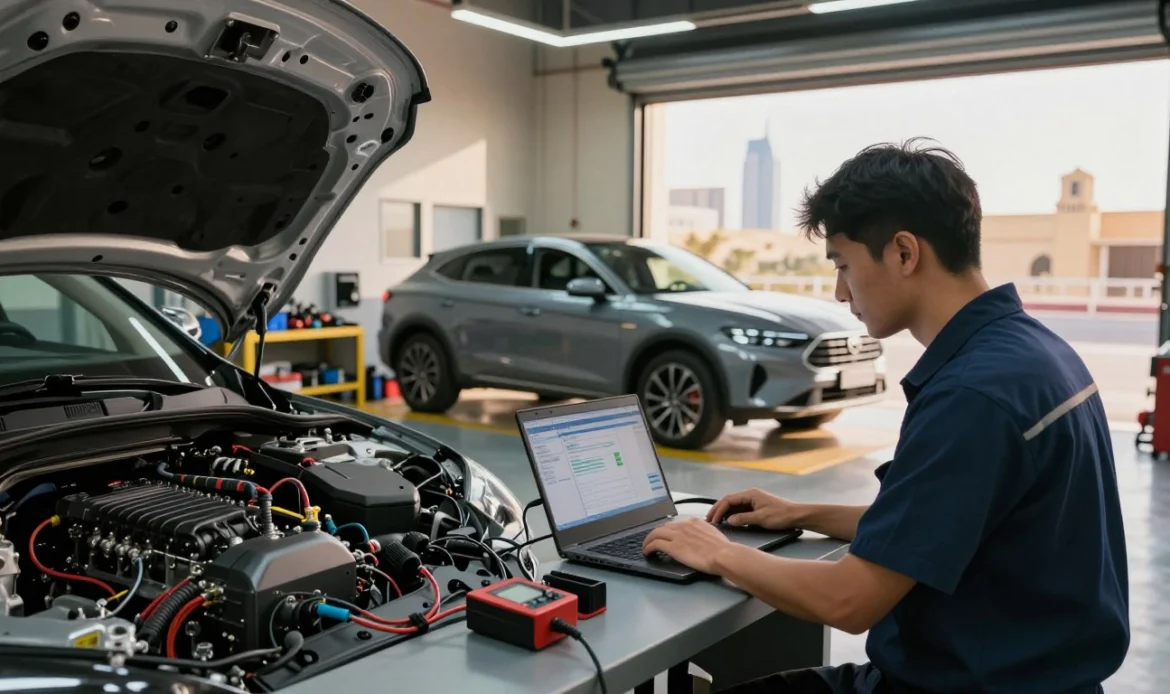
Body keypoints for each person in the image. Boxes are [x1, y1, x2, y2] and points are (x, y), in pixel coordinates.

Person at [642, 140, 1130, 694]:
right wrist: (803, 512)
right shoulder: (1032, 354)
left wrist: (719, 553)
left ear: (903, 253)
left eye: (844, 265)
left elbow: (849, 600)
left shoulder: (972, 397)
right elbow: (943, 521)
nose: (839, 291)